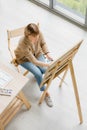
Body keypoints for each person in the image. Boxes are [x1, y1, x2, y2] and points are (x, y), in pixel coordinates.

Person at [14, 23, 53, 107]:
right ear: (28, 35)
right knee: (38, 74)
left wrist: (47, 54)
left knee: (44, 70)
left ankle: (40, 78)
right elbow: (34, 61)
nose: (37, 38)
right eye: (34, 37)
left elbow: (43, 43)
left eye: (37, 36)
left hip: (37, 54)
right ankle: (45, 92)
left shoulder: (38, 33)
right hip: (24, 59)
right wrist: (47, 64)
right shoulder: (22, 43)